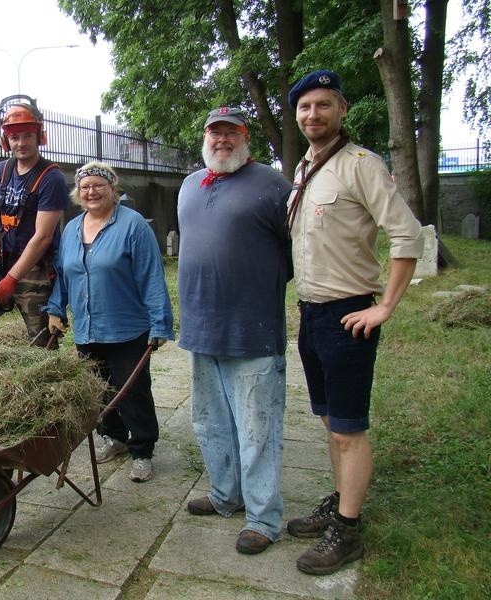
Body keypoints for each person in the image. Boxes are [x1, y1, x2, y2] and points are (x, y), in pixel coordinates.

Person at [285, 70, 423, 575]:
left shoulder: (361, 164)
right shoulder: (305, 167)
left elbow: (407, 237)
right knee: (328, 420)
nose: (313, 115)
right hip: (311, 313)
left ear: (341, 109)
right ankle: (342, 497)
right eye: (305, 107)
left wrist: (383, 306)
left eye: (323, 105)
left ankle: (347, 531)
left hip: (348, 315)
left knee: (349, 429)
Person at [177, 107, 292, 554]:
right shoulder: (189, 184)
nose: (222, 140)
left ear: (247, 138)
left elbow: (294, 251)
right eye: (215, 132)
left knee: (257, 426)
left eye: (232, 132)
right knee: (210, 421)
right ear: (205, 137)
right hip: (201, 327)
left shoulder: (273, 185)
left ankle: (264, 519)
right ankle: (227, 495)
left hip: (251, 328)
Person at [45, 162, 174, 483]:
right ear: (78, 193)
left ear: (113, 190)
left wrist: (160, 323)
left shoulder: (133, 226)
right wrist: (55, 308)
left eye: (98, 186)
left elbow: (151, 277)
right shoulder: (72, 228)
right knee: (98, 389)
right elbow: (63, 274)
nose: (91, 191)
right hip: (88, 328)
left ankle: (142, 450)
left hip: (127, 328)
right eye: (85, 187)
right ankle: (113, 437)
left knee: (133, 391)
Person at [0, 96, 68, 346]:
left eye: (27, 135)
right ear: (5, 140)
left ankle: (44, 384)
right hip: (3, 264)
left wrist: (12, 279)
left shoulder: (51, 178)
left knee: (42, 345)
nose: (21, 143)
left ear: (39, 136)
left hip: (37, 271)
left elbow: (43, 237)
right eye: (14, 137)